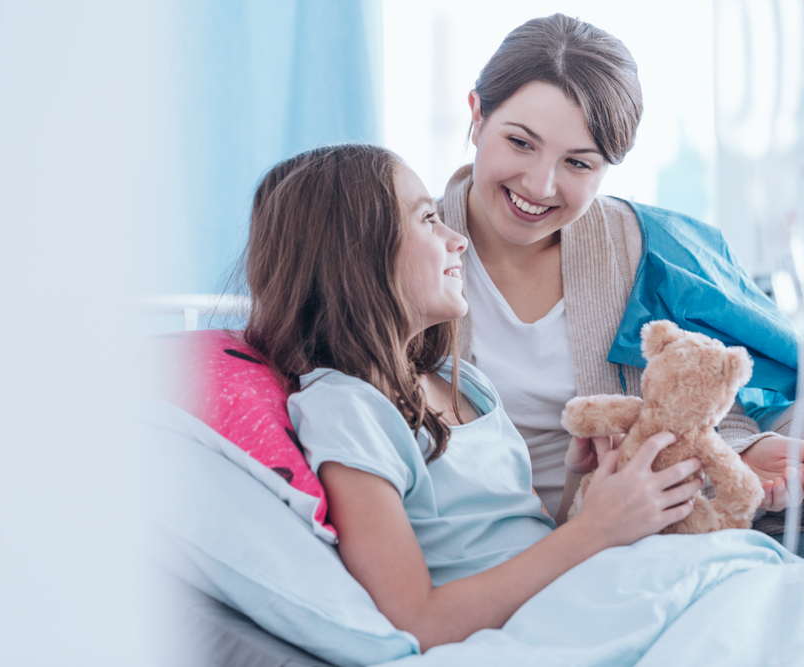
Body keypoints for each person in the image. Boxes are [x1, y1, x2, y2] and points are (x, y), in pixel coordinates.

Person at [243, 143, 709, 651]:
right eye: (428, 219)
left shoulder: (463, 383)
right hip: (532, 630)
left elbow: (521, 545)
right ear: (355, 255)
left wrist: (582, 483)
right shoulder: (347, 410)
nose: (457, 239)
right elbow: (415, 619)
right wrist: (596, 530)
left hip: (566, 598)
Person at [436, 13, 804, 565]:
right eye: (519, 142)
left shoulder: (647, 248)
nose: (539, 185)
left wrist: (745, 450)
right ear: (476, 115)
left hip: (698, 502)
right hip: (575, 547)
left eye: (578, 162)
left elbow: (712, 395)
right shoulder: (402, 256)